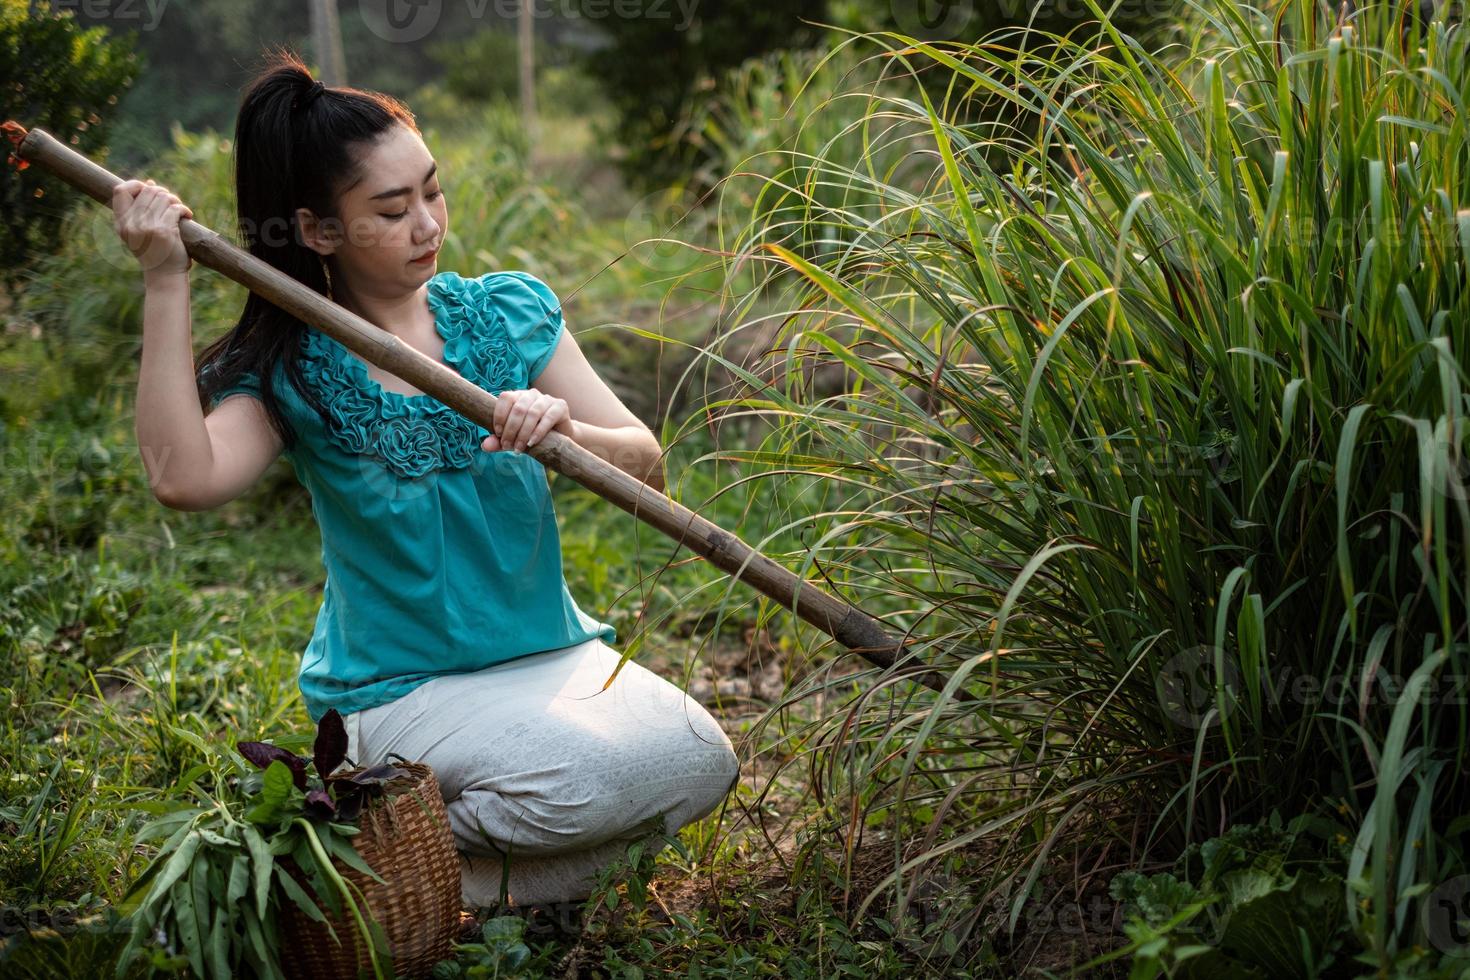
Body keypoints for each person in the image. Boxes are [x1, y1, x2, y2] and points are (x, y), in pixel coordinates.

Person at [112, 49, 740, 914]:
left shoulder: (508, 312)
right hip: (405, 692)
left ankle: (415, 888)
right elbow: (183, 479)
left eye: (433, 192)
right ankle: (395, 839)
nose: (428, 225)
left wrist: (566, 429)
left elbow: (643, 456)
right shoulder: (292, 368)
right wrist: (164, 277)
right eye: (392, 208)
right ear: (320, 230)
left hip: (550, 657)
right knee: (592, 785)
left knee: (703, 759)